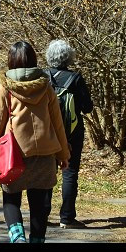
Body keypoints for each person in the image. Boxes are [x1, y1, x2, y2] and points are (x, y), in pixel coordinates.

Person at [0, 41, 70, 244]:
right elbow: (58, 124)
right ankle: (37, 239)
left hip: (14, 155)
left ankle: (18, 238)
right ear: (33, 60)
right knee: (40, 204)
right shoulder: (46, 87)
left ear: (11, 61)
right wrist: (63, 154)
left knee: (11, 198)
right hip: (46, 156)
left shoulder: (3, 88)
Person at [44, 38, 94, 229]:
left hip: (47, 131)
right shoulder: (76, 79)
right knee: (70, 172)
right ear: (69, 58)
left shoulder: (42, 76)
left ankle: (43, 214)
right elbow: (87, 108)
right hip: (72, 133)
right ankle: (67, 218)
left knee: (48, 171)